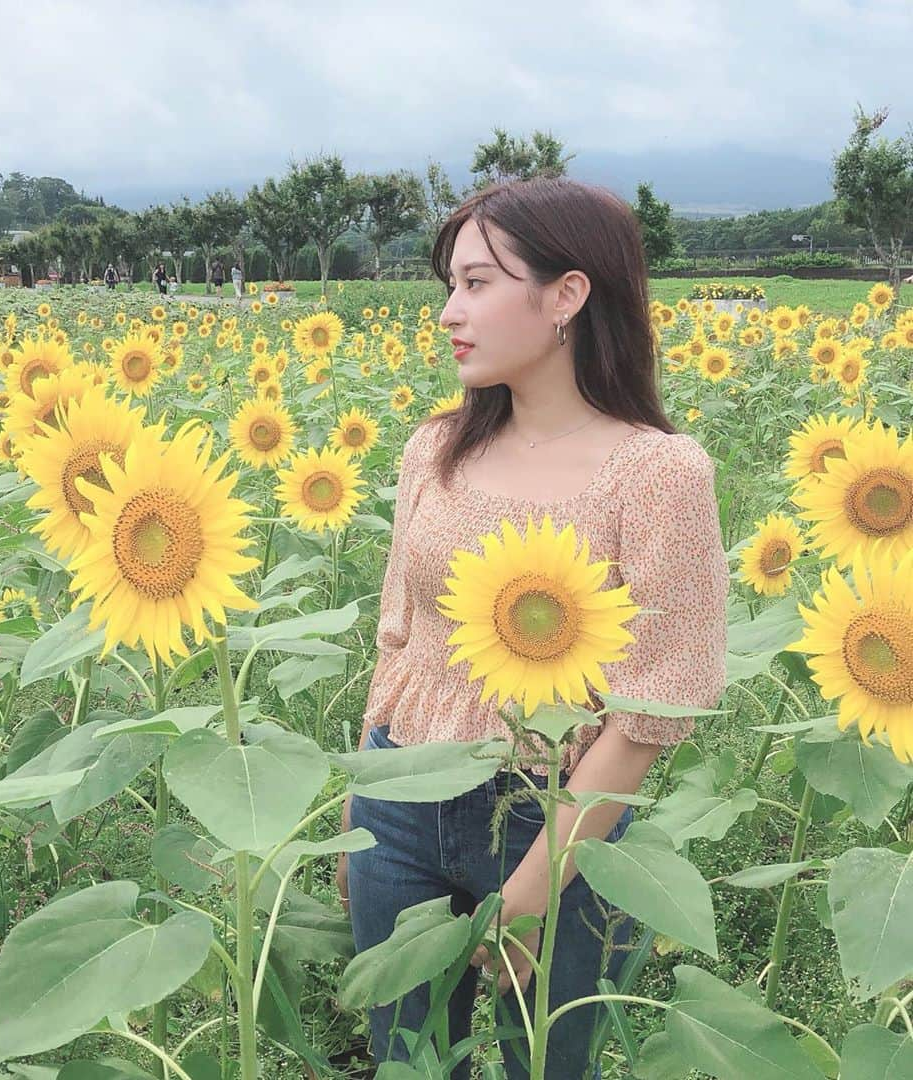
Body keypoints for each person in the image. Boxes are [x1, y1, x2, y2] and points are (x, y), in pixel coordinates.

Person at [339, 177, 728, 1080]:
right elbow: (399, 639)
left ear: (567, 295)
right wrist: (361, 807)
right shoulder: (433, 450)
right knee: (410, 1059)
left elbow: (651, 711)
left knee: (541, 1064)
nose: (449, 313)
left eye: (476, 283)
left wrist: (532, 893)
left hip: (556, 818)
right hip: (402, 789)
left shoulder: (657, 474)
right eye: (450, 285)